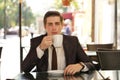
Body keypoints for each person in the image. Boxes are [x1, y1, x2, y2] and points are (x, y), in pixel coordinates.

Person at [22, 11, 95, 75]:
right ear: (45, 26)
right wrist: (41, 48)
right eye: (50, 24)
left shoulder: (72, 41)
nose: (54, 28)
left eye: (57, 24)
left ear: (62, 25)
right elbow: (24, 68)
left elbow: (91, 64)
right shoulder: (37, 41)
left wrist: (80, 65)